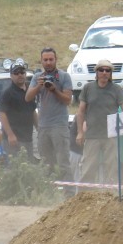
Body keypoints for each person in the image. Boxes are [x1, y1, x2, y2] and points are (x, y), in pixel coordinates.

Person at [76, 59, 123, 187]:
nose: (104, 73)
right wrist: (80, 132)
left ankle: (112, 195)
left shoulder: (116, 89)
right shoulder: (88, 88)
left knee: (112, 169)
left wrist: (121, 126)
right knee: (88, 168)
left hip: (111, 135)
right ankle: (85, 195)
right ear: (96, 72)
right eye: (101, 70)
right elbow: (81, 111)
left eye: (108, 70)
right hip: (92, 135)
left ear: (111, 73)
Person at [25, 47, 72, 180]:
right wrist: (39, 86)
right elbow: (27, 98)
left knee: (63, 162)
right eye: (45, 60)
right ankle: (50, 190)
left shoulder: (64, 76)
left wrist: (54, 90)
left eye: (51, 59)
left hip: (59, 125)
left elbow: (68, 100)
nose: (48, 62)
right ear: (41, 61)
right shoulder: (37, 77)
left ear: (56, 60)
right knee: (46, 164)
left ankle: (68, 190)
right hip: (43, 126)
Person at [0, 63, 37, 160]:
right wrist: (10, 135)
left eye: (22, 72)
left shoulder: (30, 90)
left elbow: (33, 111)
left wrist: (39, 129)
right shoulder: (7, 93)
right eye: (16, 73)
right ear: (11, 76)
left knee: (29, 165)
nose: (20, 75)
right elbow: (1, 113)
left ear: (25, 74)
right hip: (13, 139)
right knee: (14, 166)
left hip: (28, 138)